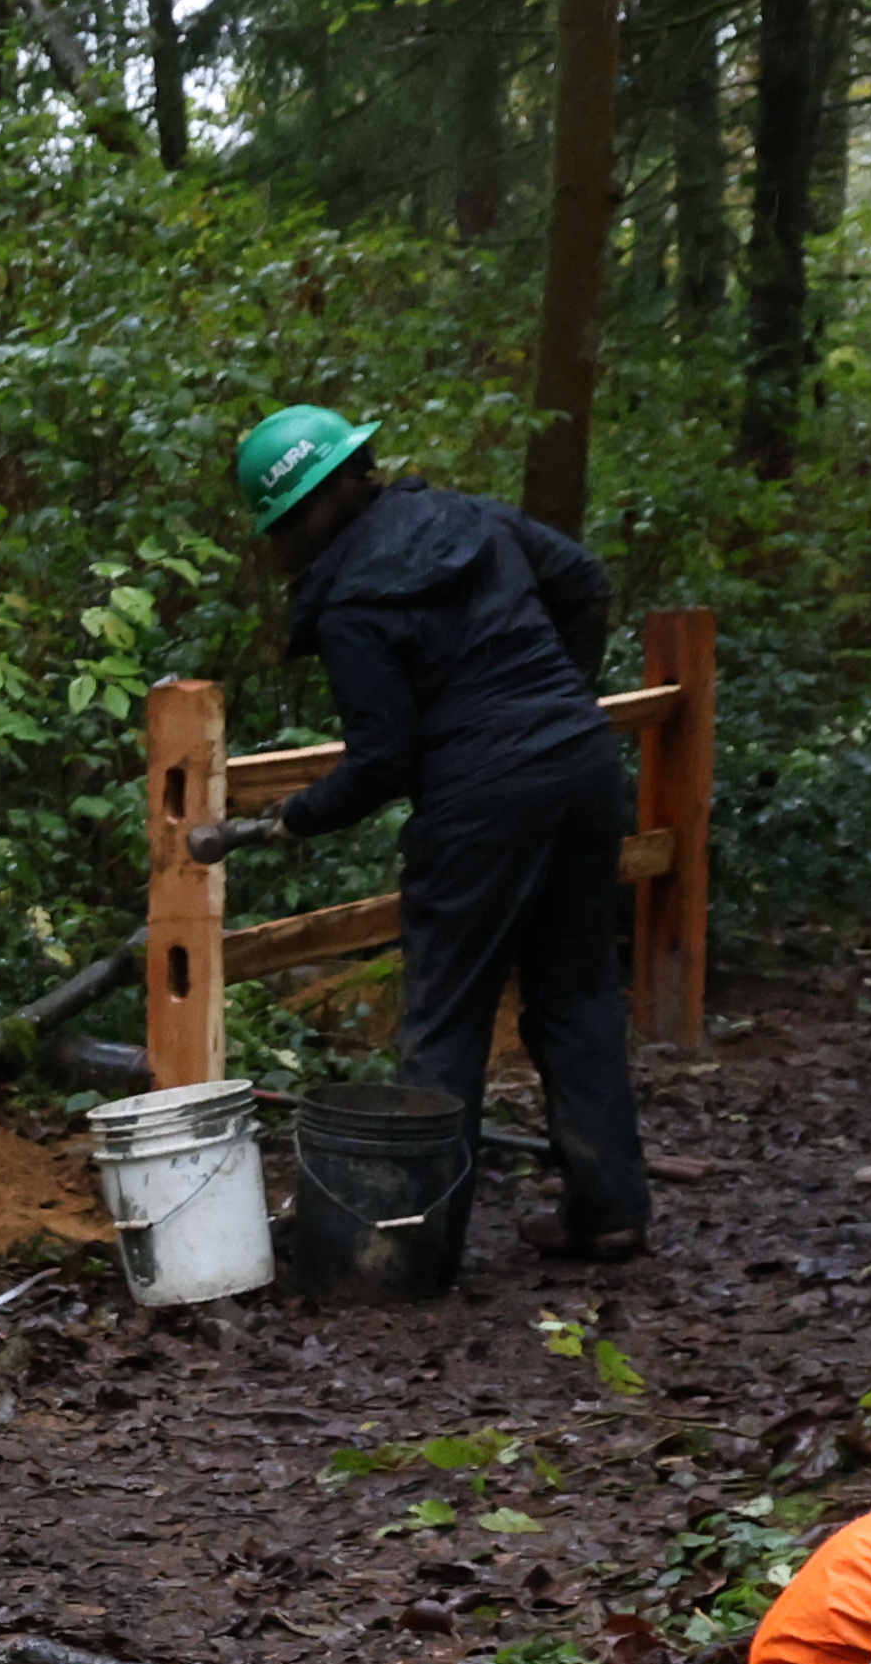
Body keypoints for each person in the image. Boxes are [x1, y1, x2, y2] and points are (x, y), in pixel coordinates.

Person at [198, 406, 649, 1262]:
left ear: (301, 514)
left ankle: (418, 1244)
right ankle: (612, 1209)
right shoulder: (471, 518)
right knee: (578, 992)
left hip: (482, 801)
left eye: (280, 527)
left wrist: (298, 815)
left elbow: (381, 760)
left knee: (445, 1017)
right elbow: (585, 582)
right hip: (582, 767)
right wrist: (556, 705)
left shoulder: (348, 605)